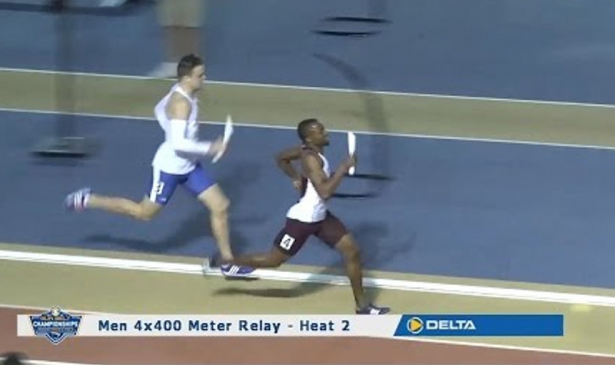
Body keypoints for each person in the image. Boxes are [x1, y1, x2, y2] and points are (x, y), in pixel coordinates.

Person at [64, 54, 254, 278]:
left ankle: (226, 261)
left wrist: (170, 128)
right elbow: (178, 144)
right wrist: (211, 147)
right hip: (169, 169)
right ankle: (89, 199)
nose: (204, 78)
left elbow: (158, 109)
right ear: (186, 78)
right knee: (143, 213)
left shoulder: (180, 93)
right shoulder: (181, 103)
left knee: (220, 205)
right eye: (200, 75)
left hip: (189, 166)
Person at [207, 118, 390, 314]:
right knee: (273, 261)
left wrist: (295, 177)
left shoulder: (305, 151)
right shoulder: (311, 158)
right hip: (302, 221)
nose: (325, 133)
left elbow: (281, 158)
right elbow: (325, 192)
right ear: (310, 139)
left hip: (321, 218)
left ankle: (362, 306)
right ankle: (228, 262)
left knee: (352, 251)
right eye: (320, 131)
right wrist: (343, 169)